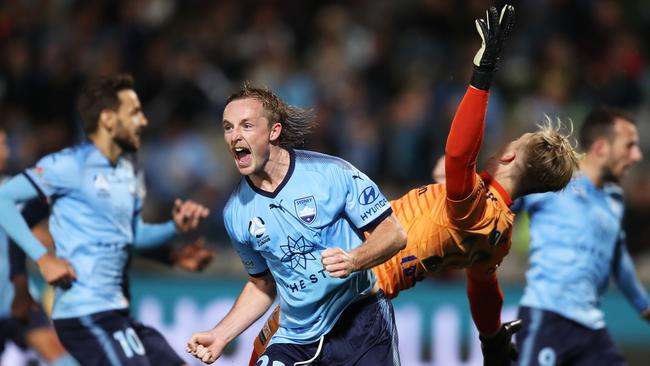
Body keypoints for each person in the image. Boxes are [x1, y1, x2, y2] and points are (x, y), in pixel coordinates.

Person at [248, 5, 582, 366]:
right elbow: (483, 290)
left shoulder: (477, 207)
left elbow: (458, 156)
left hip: (346, 284)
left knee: (268, 348)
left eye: (513, 143)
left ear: (508, 158)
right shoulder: (497, 232)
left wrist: (481, 76)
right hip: (353, 295)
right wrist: (492, 339)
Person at [186, 63, 409, 366]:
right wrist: (222, 334)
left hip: (361, 322)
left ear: (274, 131)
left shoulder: (330, 173)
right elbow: (262, 284)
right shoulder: (236, 213)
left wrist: (354, 260)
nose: (234, 136)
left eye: (246, 126)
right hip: (296, 339)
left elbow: (394, 233)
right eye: (228, 127)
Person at [0, 74, 210, 365]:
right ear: (109, 120)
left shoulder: (130, 172)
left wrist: (172, 230)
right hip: (85, 313)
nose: (144, 121)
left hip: (118, 313)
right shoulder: (69, 164)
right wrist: (42, 258)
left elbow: (130, 235)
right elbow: (3, 200)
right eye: (134, 112)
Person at [513, 106, 649, 366]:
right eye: (629, 146)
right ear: (601, 148)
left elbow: (617, 256)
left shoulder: (614, 201)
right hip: (547, 316)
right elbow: (505, 203)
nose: (636, 155)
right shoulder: (553, 183)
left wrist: (643, 304)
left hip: (590, 327)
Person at [0, 129, 78, 365]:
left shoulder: (11, 189)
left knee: (57, 354)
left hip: (17, 297)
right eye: (1, 144)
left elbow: (30, 227)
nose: (6, 151)